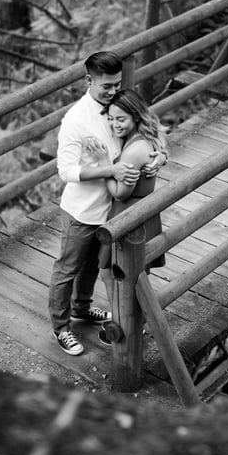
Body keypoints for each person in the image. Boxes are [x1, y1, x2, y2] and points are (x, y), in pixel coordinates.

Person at [49, 52, 165, 356]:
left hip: (113, 212)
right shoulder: (75, 119)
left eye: (117, 84)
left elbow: (144, 134)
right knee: (69, 268)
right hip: (82, 211)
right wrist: (108, 170)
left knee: (93, 265)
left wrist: (157, 158)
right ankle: (61, 328)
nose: (113, 90)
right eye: (106, 86)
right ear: (89, 80)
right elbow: (66, 171)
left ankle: (82, 308)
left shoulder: (120, 107)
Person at [92, 88, 168, 346]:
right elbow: (161, 146)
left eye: (121, 119)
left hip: (128, 214)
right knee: (135, 275)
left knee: (114, 274)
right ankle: (135, 323)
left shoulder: (134, 151)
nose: (114, 124)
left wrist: (105, 165)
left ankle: (123, 326)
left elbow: (119, 193)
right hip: (144, 211)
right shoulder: (148, 135)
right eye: (111, 119)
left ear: (136, 117)